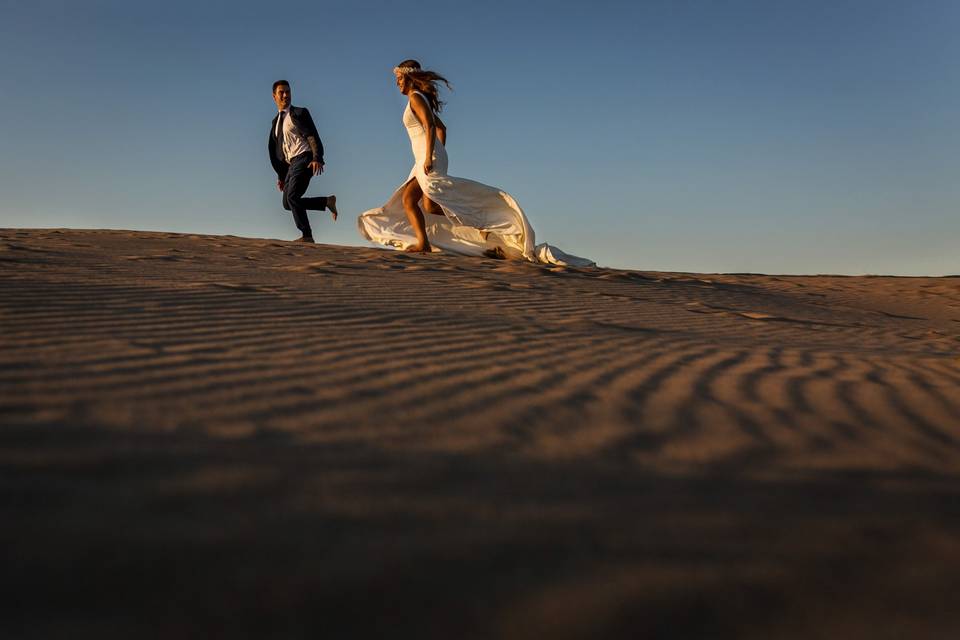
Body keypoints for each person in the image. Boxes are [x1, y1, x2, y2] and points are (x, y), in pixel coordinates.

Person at [357, 60, 538, 259]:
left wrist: (430, 156)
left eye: (399, 78)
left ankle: (425, 242)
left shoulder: (416, 98)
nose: (397, 83)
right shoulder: (417, 99)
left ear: (410, 78)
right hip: (427, 156)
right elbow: (442, 128)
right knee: (430, 206)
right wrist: (437, 151)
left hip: (427, 157)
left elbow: (431, 126)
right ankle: (478, 225)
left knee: (409, 200)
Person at [268, 80, 338, 243]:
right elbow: (280, 151)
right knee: (287, 203)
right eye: (281, 92)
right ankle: (326, 201)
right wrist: (281, 176)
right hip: (292, 164)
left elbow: (312, 135)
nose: (285, 95)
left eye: (288, 92)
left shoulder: (299, 113)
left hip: (305, 158)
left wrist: (317, 157)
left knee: (292, 197)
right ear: (274, 96)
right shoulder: (276, 122)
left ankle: (307, 235)